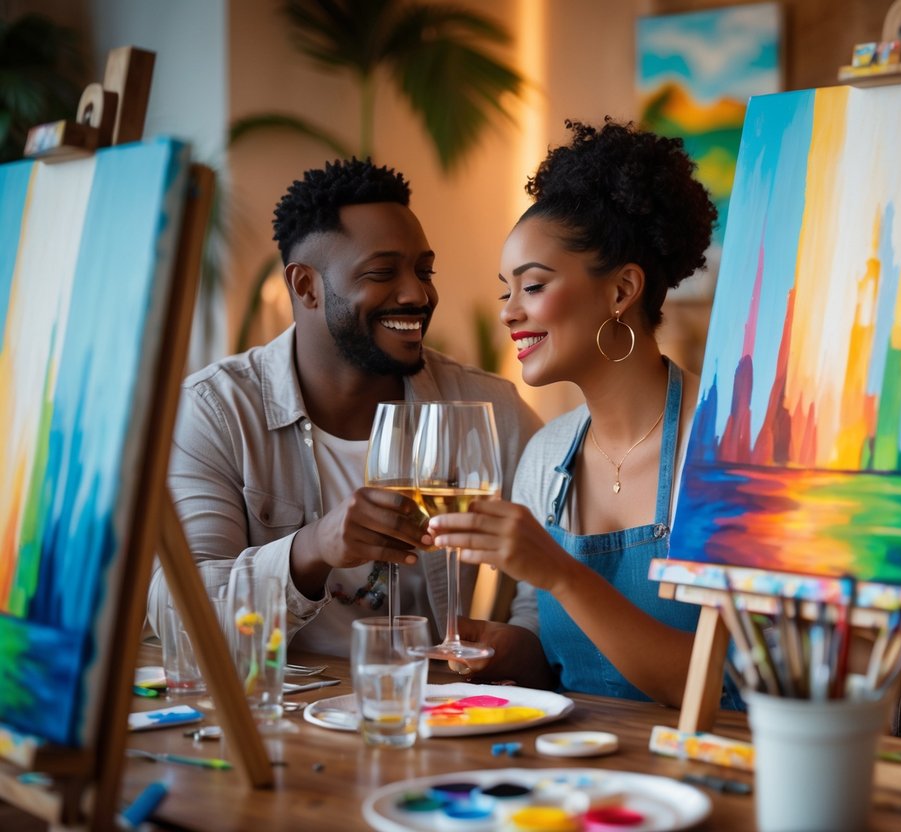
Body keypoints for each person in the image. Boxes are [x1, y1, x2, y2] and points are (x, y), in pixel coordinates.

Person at [147, 158, 546, 672]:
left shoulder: (487, 408)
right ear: (305, 286)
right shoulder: (216, 412)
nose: (417, 294)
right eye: (383, 273)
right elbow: (179, 615)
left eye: (424, 271)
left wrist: (524, 644)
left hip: (429, 718)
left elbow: (556, 569)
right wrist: (311, 548)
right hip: (274, 723)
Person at [427, 120, 731, 707]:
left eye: (533, 286)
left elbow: (732, 684)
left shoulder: (721, 448)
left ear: (622, 291)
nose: (509, 313)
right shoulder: (546, 456)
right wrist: (496, 645)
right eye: (504, 292)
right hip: (573, 778)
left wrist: (562, 573)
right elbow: (552, 657)